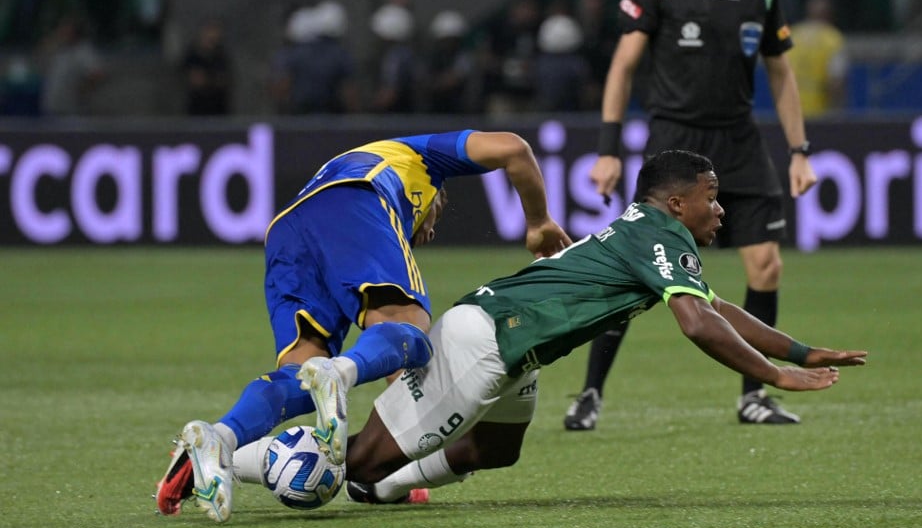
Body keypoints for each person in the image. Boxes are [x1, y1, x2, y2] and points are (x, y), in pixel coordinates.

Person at [293, 150, 867, 504]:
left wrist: (803, 352)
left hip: (512, 340)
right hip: (487, 338)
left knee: (495, 448)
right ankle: (234, 457)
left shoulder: (651, 233)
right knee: (361, 457)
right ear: (675, 202)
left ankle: (383, 486)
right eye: (710, 198)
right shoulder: (660, 235)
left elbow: (715, 310)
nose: (720, 210)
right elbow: (696, 325)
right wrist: (772, 376)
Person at [154, 129, 572, 522]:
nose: (427, 234)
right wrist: (538, 222)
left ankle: (219, 439)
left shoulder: (344, 166)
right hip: (356, 200)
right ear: (433, 199)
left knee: (299, 377)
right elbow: (514, 149)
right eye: (434, 219)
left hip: (286, 232)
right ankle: (340, 374)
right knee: (410, 330)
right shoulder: (423, 158)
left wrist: (397, 461)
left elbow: (403, 384)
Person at [564, 0, 818, 432]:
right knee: (634, 278)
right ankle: (589, 393)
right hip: (675, 145)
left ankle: (754, 396)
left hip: (740, 142)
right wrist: (608, 150)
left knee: (767, 265)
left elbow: (781, 75)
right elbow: (622, 66)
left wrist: (799, 150)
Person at [788, 0, 848, 117]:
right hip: (820, 115)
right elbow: (836, 80)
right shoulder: (833, 39)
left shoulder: (792, 34)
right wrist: (838, 113)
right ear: (830, 14)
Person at [180, 18, 232, 115]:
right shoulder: (193, 55)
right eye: (209, 31)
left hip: (218, 110)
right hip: (197, 110)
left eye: (215, 31)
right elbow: (196, 81)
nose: (212, 35)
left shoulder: (221, 56)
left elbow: (223, 81)